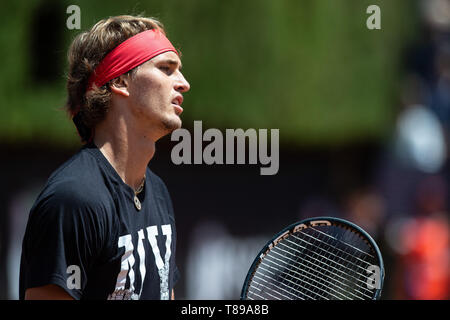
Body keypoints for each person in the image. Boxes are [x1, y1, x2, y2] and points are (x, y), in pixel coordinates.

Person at [19, 15, 190, 300]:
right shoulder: (73, 199)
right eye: (166, 69)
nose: (183, 83)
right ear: (121, 81)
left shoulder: (157, 192)